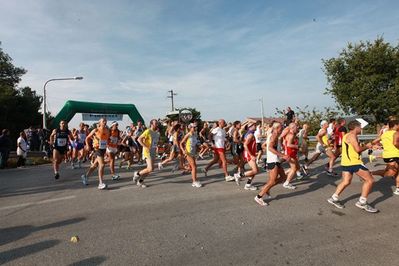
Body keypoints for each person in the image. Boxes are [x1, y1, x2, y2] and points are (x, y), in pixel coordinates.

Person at [327, 120, 378, 213]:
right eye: (360, 127)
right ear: (356, 127)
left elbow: (353, 148)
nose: (361, 128)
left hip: (346, 162)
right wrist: (366, 146)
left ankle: (333, 198)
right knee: (370, 180)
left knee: (346, 181)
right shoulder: (352, 136)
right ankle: (362, 202)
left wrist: (367, 146)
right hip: (354, 162)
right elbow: (358, 149)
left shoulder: (347, 135)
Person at [254, 122, 290, 206]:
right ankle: (259, 197)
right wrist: (283, 155)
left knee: (283, 177)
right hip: (273, 161)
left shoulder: (274, 135)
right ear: (277, 128)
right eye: (281, 128)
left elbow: (267, 146)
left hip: (275, 160)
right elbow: (269, 148)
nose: (282, 129)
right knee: (272, 181)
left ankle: (266, 188)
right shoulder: (273, 136)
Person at [371, 120, 399, 195]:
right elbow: (395, 143)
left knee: (397, 172)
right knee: (390, 173)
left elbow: (374, 141)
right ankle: (370, 173)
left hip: (388, 155)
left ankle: (398, 188)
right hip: (393, 155)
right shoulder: (396, 133)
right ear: (395, 125)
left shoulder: (385, 134)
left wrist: (378, 145)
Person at [81, 118, 110, 190]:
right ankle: (100, 183)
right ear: (99, 123)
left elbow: (106, 140)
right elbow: (87, 138)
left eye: (105, 121)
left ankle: (85, 176)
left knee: (95, 165)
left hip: (103, 149)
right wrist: (88, 145)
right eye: (103, 121)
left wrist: (107, 149)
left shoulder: (107, 131)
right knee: (102, 165)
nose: (105, 122)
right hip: (97, 149)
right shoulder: (96, 130)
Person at [133, 119, 160, 188]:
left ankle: (140, 181)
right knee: (150, 168)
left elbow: (155, 143)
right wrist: (145, 146)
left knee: (150, 169)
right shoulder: (148, 131)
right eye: (155, 123)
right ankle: (137, 174)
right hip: (147, 151)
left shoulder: (157, 133)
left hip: (153, 152)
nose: (157, 124)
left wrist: (157, 147)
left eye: (157, 123)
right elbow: (139, 139)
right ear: (151, 124)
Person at [234, 122, 258, 190]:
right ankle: (239, 175)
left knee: (255, 170)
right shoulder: (250, 135)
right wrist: (251, 155)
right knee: (255, 171)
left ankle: (248, 184)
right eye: (255, 125)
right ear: (250, 127)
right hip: (249, 155)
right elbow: (245, 145)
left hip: (250, 154)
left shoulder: (249, 133)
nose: (256, 126)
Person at [180, 123, 202, 188]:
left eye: (196, 127)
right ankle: (194, 182)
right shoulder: (188, 134)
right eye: (194, 127)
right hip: (188, 153)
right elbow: (181, 143)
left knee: (193, 167)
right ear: (190, 128)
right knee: (194, 167)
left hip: (193, 152)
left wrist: (199, 149)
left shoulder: (195, 134)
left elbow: (195, 144)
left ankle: (194, 180)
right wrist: (184, 151)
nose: (195, 128)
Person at [283, 123, 300, 189]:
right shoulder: (291, 135)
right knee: (294, 168)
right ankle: (286, 183)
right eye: (296, 127)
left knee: (297, 167)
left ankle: (283, 174)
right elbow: (288, 145)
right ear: (292, 128)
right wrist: (297, 146)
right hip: (290, 154)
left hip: (292, 153)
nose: (297, 128)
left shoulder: (292, 135)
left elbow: (284, 142)